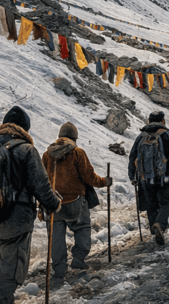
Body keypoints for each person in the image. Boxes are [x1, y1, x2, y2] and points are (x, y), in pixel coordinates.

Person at [0, 107, 59, 304]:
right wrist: (53, 203)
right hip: (14, 224)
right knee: (8, 279)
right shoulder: (26, 150)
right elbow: (41, 185)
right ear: (25, 129)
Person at [42, 122, 112, 288]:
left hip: (53, 203)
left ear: (59, 137)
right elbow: (89, 177)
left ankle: (59, 271)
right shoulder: (78, 152)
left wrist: (42, 203)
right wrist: (104, 182)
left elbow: (42, 180)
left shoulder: (47, 155)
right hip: (75, 201)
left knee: (56, 238)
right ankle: (79, 259)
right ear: (74, 138)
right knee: (82, 229)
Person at [129, 111, 169, 244]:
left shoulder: (141, 137)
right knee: (168, 202)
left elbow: (133, 156)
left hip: (146, 179)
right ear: (163, 121)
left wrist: (132, 175)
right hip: (166, 177)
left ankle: (153, 230)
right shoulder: (167, 135)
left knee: (152, 203)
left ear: (149, 121)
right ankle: (160, 225)